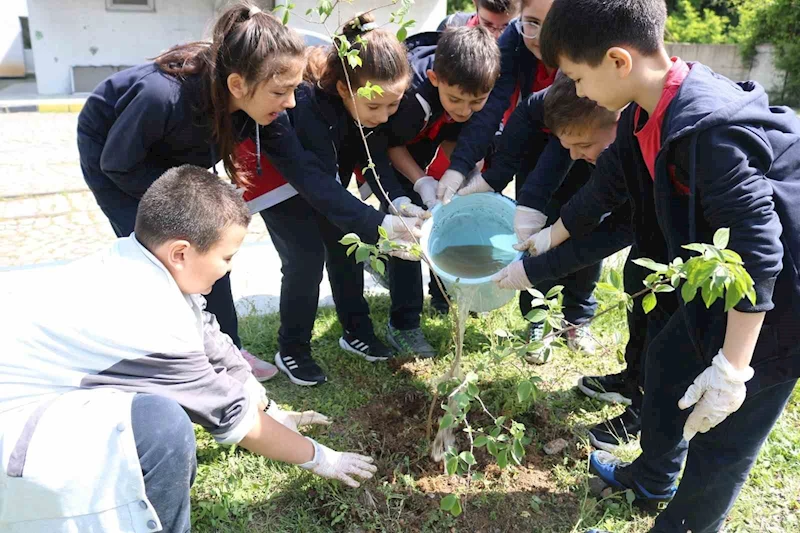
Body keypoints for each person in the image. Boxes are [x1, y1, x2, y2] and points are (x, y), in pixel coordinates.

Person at [536, 0, 800, 530]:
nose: (579, 92)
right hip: (719, 278)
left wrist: (732, 369)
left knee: (724, 438)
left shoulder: (708, 129)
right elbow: (605, 187)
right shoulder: (643, 113)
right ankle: (651, 478)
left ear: (618, 61)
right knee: (666, 365)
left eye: (577, 78)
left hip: (782, 296)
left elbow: (759, 249)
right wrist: (547, 237)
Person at [0, 166, 377, 533]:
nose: (228, 269)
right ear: (180, 253)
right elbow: (236, 421)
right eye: (226, 257)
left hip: (44, 401)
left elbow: (209, 337)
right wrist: (322, 458)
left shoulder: (135, 259)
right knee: (160, 427)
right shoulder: (153, 320)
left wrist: (270, 409)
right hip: (17, 441)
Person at [75, 2, 311, 380]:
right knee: (162, 262)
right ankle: (170, 358)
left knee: (212, 249)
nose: (291, 103)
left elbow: (303, 170)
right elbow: (118, 163)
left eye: (295, 90)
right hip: (117, 159)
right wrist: (187, 204)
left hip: (173, 151)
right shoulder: (160, 95)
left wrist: (374, 223)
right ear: (237, 85)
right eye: (281, 91)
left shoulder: (253, 104)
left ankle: (227, 351)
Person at [233, 14, 422, 386]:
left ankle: (356, 330)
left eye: (393, 105)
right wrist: (378, 223)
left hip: (322, 182)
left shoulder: (366, 108)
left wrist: (399, 201)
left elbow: (373, 160)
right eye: (375, 107)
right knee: (305, 257)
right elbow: (314, 182)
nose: (384, 116)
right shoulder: (308, 106)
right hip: (278, 179)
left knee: (347, 246)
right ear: (343, 89)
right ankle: (293, 348)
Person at [478, 74, 644, 448]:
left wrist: (534, 269)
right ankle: (633, 378)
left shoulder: (641, 146)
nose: (575, 155)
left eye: (582, 145)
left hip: (691, 232)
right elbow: (589, 198)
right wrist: (543, 224)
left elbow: (612, 231)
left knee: (657, 305)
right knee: (636, 283)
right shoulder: (576, 106)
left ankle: (645, 404)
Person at [372, 26, 500, 356]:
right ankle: (404, 324)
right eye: (455, 100)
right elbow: (389, 146)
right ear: (434, 78)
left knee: (450, 216)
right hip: (391, 160)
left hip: (425, 150)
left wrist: (465, 173)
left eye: (476, 102)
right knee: (409, 236)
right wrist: (421, 181)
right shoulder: (411, 101)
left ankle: (444, 297)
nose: (464, 109)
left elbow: (454, 134)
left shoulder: (468, 93)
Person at [435, 0, 557, 205]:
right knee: (527, 201)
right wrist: (459, 166)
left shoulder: (583, 45)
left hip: (577, 139)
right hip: (533, 135)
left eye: (553, 24)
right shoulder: (514, 36)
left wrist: (496, 177)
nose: (541, 37)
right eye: (532, 22)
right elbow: (492, 104)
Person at [438, 0, 520, 39]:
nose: (497, 36)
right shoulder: (452, 25)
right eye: (488, 25)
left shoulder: (526, 42)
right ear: (475, 2)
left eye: (506, 26)